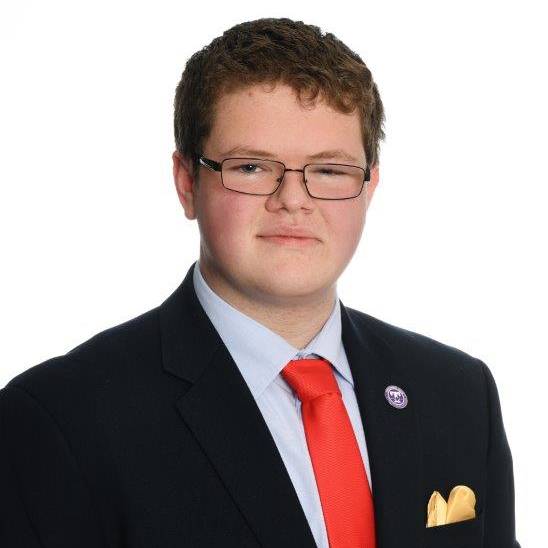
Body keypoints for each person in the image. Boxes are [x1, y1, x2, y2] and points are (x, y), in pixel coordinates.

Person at [0, 17, 519, 548]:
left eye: (329, 170)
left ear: (370, 186)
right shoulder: (60, 420)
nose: (293, 200)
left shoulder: (457, 395)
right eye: (251, 167)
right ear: (187, 183)